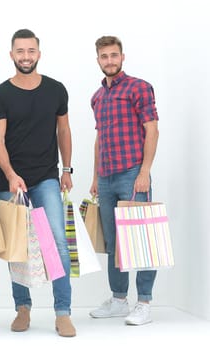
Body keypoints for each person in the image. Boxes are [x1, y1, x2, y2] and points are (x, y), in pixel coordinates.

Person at [0, 29, 76, 337]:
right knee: (17, 248)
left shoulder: (56, 90)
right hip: (10, 182)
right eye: (20, 51)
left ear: (39, 53)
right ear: (11, 55)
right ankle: (22, 308)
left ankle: (62, 312)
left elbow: (63, 132)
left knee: (58, 243)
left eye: (31, 51)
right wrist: (11, 175)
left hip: (46, 178)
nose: (26, 56)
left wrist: (67, 169)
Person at [88, 35, 160, 326]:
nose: (109, 61)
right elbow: (99, 140)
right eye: (104, 56)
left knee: (140, 239)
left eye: (114, 55)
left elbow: (152, 130)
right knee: (114, 242)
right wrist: (95, 178)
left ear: (122, 57)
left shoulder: (139, 88)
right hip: (106, 178)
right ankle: (119, 299)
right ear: (98, 60)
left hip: (132, 174)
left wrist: (144, 172)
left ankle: (144, 302)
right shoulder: (97, 97)